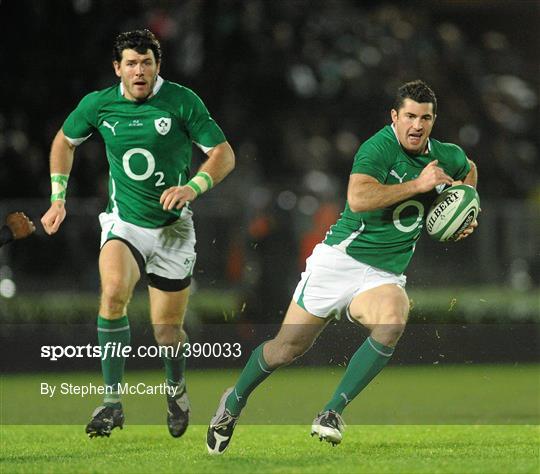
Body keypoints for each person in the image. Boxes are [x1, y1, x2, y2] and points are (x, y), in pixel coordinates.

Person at [206, 80, 478, 454]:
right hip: (338, 263)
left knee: (393, 320)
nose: (417, 125)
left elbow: (469, 171)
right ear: (395, 117)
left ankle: (332, 411)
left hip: (382, 276)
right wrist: (419, 185)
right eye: (410, 116)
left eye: (426, 118)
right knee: (285, 350)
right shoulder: (378, 148)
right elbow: (359, 197)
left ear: (434, 120)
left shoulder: (445, 156)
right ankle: (233, 402)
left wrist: (466, 206)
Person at [41, 29, 235, 438]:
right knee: (112, 292)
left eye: (146, 62)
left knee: (167, 330)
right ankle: (111, 403)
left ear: (157, 66)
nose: (139, 70)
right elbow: (64, 141)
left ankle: (175, 389)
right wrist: (58, 197)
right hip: (123, 223)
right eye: (131, 63)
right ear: (118, 68)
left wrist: (192, 187)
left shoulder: (182, 101)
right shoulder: (99, 104)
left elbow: (223, 154)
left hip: (173, 231)